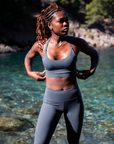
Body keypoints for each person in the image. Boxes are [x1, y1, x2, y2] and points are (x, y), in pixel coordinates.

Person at [24, 3, 99, 144]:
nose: (66, 24)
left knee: (73, 142)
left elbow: (94, 54)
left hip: (74, 101)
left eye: (67, 21)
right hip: (50, 102)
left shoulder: (76, 43)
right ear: (50, 25)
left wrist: (91, 71)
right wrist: (30, 72)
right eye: (61, 21)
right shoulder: (41, 45)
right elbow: (28, 57)